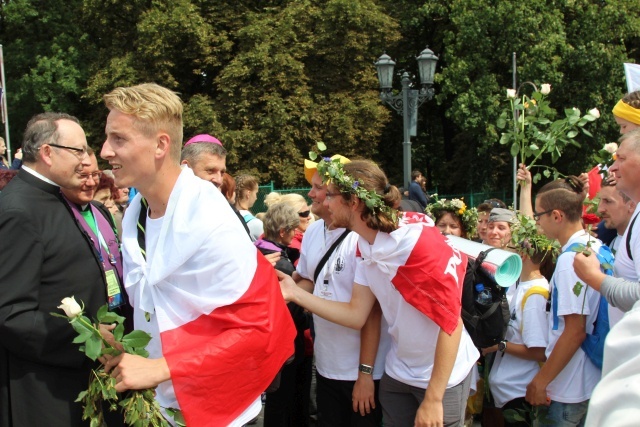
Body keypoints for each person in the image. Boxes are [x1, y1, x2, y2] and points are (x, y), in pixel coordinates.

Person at [99, 83, 296, 426]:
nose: (104, 151)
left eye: (119, 139)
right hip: (163, 408)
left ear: (161, 145)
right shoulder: (135, 213)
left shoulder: (209, 218)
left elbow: (259, 328)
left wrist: (159, 368)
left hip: (222, 411)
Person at [281, 156, 478, 427]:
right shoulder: (366, 244)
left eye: (332, 196)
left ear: (354, 202)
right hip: (398, 372)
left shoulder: (416, 245)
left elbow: (451, 324)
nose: (325, 202)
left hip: (440, 377)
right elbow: (357, 314)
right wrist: (295, 293)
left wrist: (433, 398)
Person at [0, 113, 108, 426]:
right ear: (48, 153)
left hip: (74, 379)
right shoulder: (18, 210)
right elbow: (11, 313)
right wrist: (89, 337)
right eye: (79, 151)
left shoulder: (55, 199)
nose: (87, 159)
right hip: (43, 388)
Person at [295, 154, 391, 427]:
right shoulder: (313, 232)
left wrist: (365, 374)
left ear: (346, 197)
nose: (312, 194)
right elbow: (308, 279)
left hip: (362, 373)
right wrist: (282, 292)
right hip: (327, 365)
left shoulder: (363, 239)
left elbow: (370, 314)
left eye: (320, 188)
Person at [525, 176, 602, 426]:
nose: (537, 223)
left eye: (539, 216)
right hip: (590, 377)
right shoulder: (595, 244)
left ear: (557, 216)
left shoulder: (571, 260)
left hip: (570, 386)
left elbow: (574, 330)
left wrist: (541, 380)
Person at [482, 216, 554, 426]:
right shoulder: (519, 286)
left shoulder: (534, 295)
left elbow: (539, 351)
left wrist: (498, 345)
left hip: (521, 394)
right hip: (509, 393)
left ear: (522, 254)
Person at [254, 202, 310, 427]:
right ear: (282, 232)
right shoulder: (281, 265)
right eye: (293, 228)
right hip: (285, 344)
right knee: (283, 403)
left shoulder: (257, 251)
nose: (297, 232)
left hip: (267, 343)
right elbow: (293, 310)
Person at [264, 192, 312, 264]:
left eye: (308, 212)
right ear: (292, 215)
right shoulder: (291, 244)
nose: (309, 217)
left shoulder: (267, 239)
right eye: (305, 213)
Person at [235, 174, 264, 241]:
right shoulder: (255, 224)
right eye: (256, 193)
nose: (256, 198)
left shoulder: (228, 216)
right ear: (248, 194)